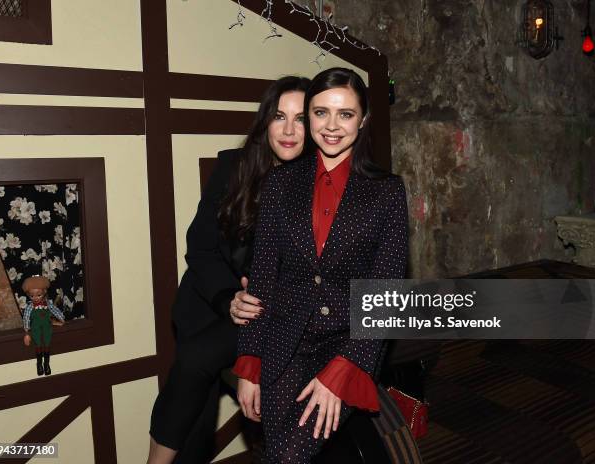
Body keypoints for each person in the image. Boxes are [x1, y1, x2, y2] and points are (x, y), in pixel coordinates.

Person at [234, 67, 409, 463]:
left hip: (345, 347)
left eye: (345, 114)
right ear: (308, 115)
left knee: (287, 457)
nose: (332, 126)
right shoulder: (280, 184)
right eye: (320, 112)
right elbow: (262, 278)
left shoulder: (387, 192)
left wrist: (344, 369)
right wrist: (249, 363)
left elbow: (385, 297)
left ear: (363, 121)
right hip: (282, 345)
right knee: (278, 452)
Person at [147, 75, 311, 464]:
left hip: (266, 312)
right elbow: (200, 246)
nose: (288, 130)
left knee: (194, 364)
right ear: (264, 122)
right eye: (278, 116)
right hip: (208, 301)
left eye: (301, 118)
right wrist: (227, 297)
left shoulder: (317, 184)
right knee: (194, 417)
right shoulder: (233, 167)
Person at [22, 275, 65, 376]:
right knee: (38, 345)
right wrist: (27, 332)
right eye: (32, 296)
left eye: (38, 295)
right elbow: (26, 318)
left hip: (47, 327)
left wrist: (61, 319)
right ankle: (39, 364)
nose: (35, 298)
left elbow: (55, 310)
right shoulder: (29, 307)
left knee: (47, 344)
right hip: (35, 328)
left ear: (44, 292)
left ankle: (46, 364)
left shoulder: (48, 304)